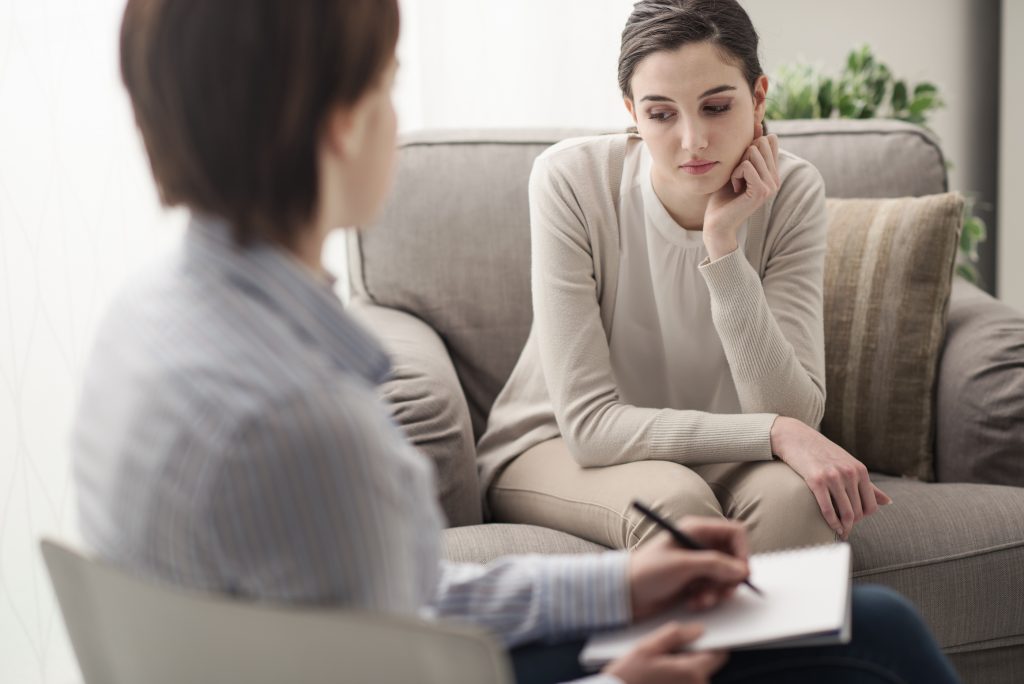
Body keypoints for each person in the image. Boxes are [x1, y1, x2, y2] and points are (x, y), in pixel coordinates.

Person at [71, 1, 961, 682]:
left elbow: (402, 604)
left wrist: (618, 589)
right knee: (886, 634)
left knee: (858, 620)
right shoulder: (305, 423)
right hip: (565, 471)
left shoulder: (145, 327)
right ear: (341, 127)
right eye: (387, 83)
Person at [477, 0, 891, 554]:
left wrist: (722, 247)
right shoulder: (571, 181)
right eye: (661, 113)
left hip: (723, 453)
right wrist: (770, 434)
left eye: (716, 107)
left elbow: (793, 412)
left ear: (758, 96)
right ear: (632, 111)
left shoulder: (794, 191)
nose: (693, 140)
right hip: (556, 446)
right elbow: (590, 426)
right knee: (676, 503)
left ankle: (770, 644)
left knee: (800, 504)